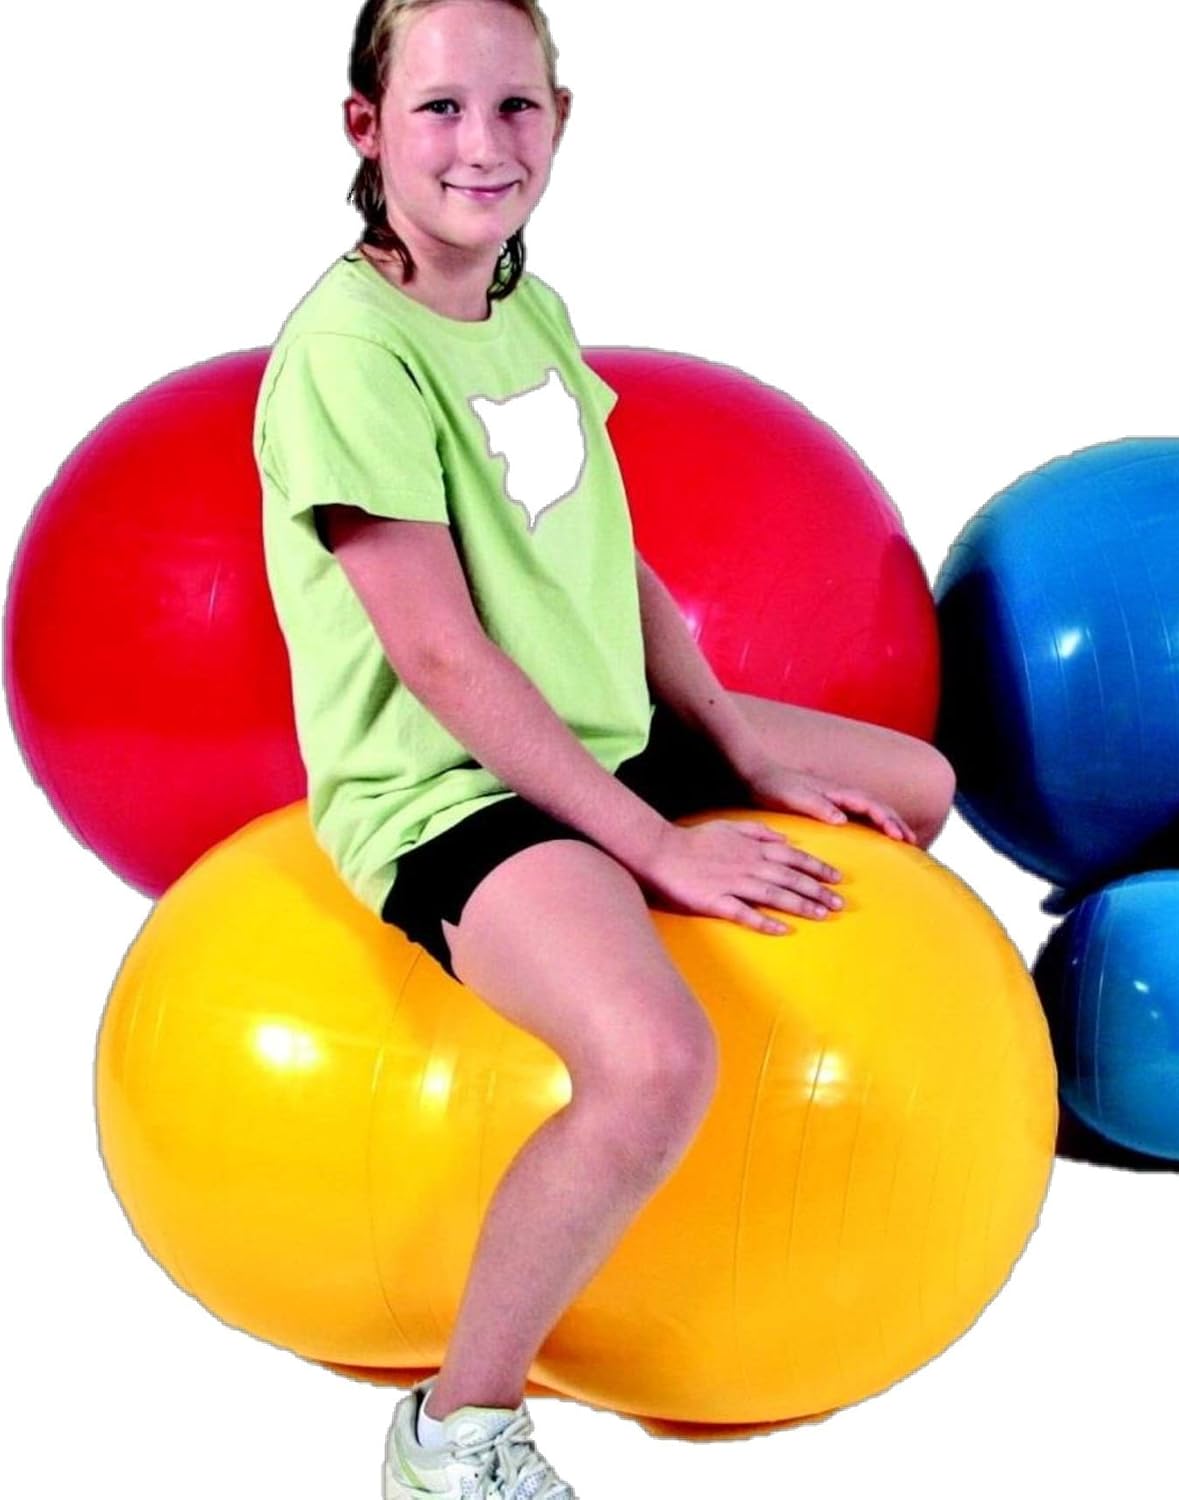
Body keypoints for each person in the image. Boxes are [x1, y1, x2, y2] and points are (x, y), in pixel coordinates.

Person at [254, 1, 957, 1494]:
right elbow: (441, 657)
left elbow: (607, 554)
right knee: (651, 1061)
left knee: (917, 784)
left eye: (518, 107)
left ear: (562, 121)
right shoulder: (350, 353)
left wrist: (734, 741)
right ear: (365, 127)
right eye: (439, 108)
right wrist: (652, 847)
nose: (483, 144)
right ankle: (457, 1430)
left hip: (601, 742)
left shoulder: (529, 309)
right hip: (454, 787)